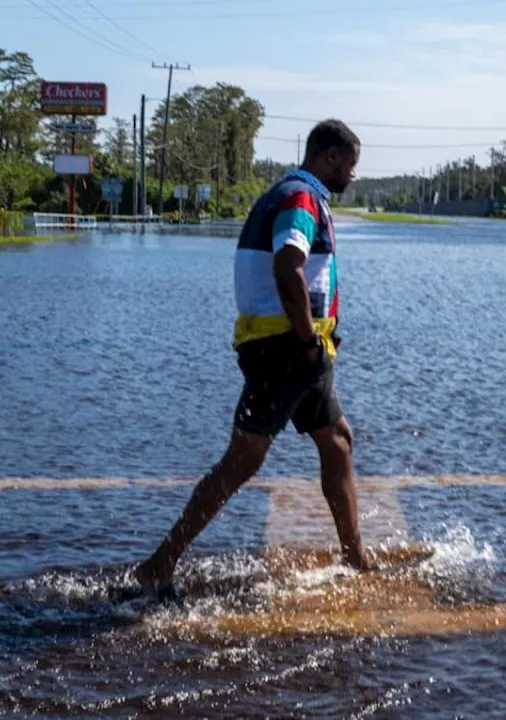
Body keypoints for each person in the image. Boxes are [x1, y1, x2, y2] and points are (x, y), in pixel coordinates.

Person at [134, 119, 371, 602]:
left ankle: (355, 559)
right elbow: (288, 266)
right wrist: (307, 341)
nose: (350, 177)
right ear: (328, 157)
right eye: (348, 166)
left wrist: (313, 344)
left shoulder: (287, 194)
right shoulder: (301, 199)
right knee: (242, 460)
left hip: (297, 353)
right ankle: (159, 564)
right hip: (286, 352)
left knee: (338, 442)